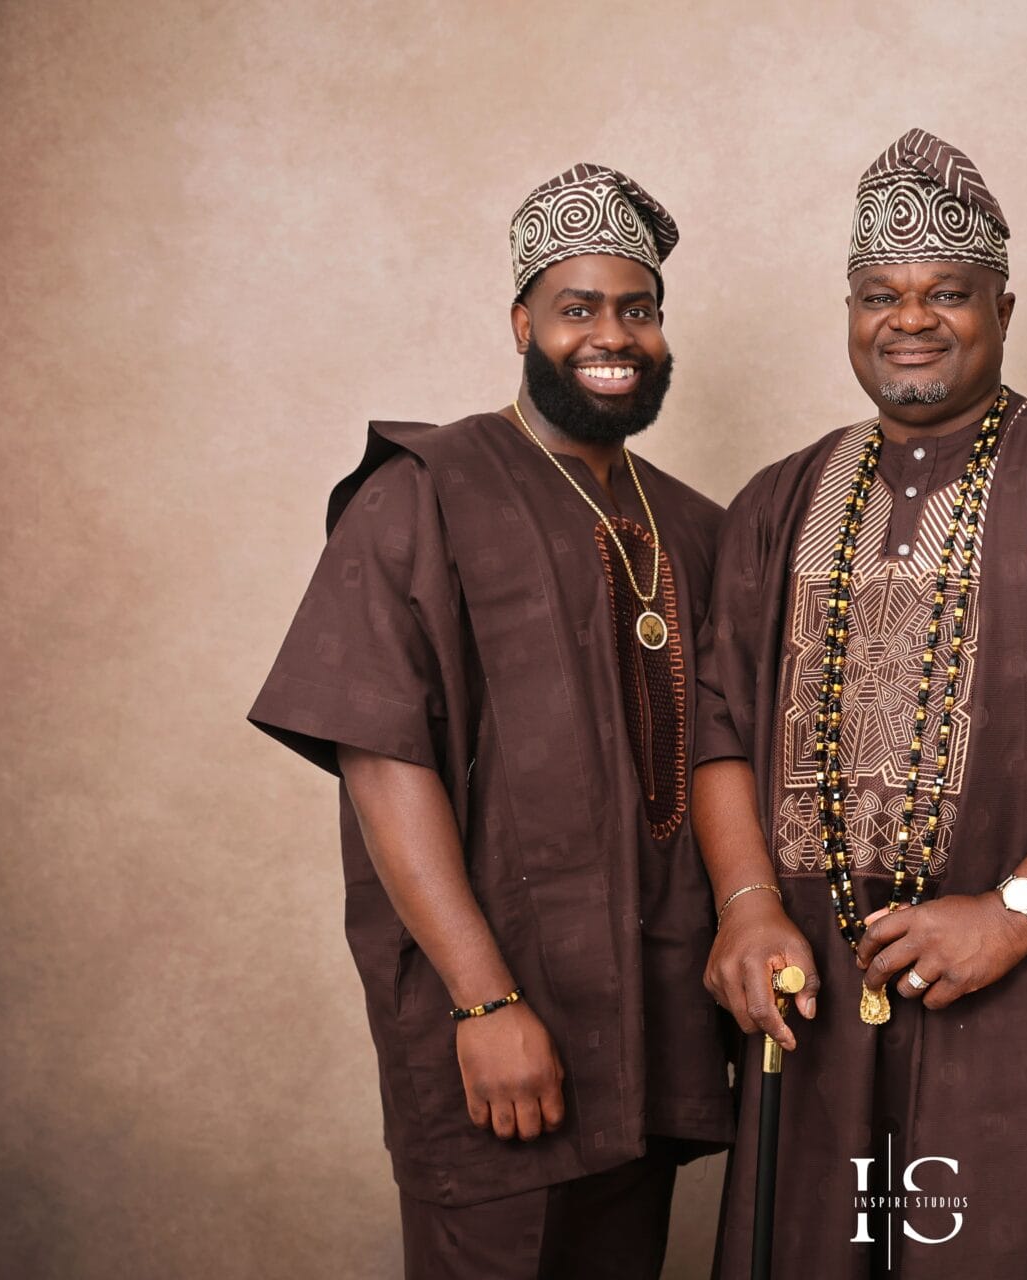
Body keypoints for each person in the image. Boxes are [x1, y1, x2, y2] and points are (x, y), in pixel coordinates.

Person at [692, 128, 1027, 1279]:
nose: (911, 316)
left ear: (1004, 306)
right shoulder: (777, 500)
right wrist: (747, 906)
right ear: (848, 311)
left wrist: (1014, 911)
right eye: (879, 292)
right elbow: (721, 729)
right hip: (821, 1004)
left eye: (948, 290)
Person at [247, 162, 731, 1279]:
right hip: (500, 1014)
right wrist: (485, 999)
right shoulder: (426, 488)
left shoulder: (698, 526)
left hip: (651, 1022)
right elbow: (379, 752)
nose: (613, 334)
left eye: (639, 309)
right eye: (578, 308)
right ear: (522, 320)